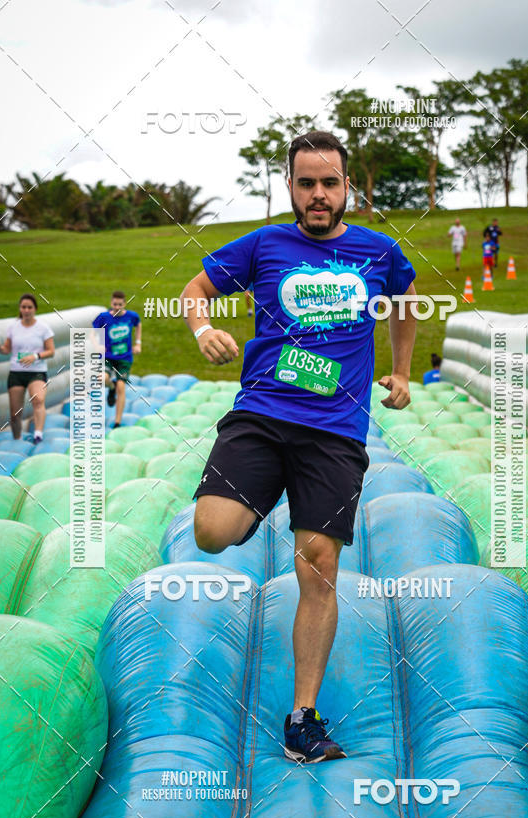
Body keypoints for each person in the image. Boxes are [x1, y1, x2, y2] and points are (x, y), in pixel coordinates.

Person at [181, 130, 417, 763]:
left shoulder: (378, 252)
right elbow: (195, 291)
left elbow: (406, 304)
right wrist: (203, 329)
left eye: (330, 183)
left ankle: (303, 718)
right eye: (306, 182)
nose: (318, 194)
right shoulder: (264, 245)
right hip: (262, 413)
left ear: (347, 188)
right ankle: (260, 501)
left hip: (335, 433)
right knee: (210, 531)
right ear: (289, 186)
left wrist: (401, 371)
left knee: (318, 566)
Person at [0, 294, 55, 443]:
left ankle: (38, 434)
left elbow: (51, 351)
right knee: (15, 413)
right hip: (17, 373)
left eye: (29, 307)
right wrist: (0, 348)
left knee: (38, 399)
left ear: (35, 309)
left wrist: (35, 356)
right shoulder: (13, 327)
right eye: (23, 307)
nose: (26, 310)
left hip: (36, 372)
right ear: (20, 309)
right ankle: (17, 439)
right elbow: (7, 349)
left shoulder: (43, 328)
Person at [92, 291, 141, 428]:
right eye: (115, 304)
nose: (117, 307)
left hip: (124, 358)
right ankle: (111, 388)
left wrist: (138, 343)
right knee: (101, 378)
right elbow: (92, 332)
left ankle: (117, 421)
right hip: (108, 357)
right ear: (111, 303)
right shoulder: (104, 317)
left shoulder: (131, 316)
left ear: (124, 304)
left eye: (120, 304)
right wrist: (97, 345)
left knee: (121, 387)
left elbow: (138, 325)